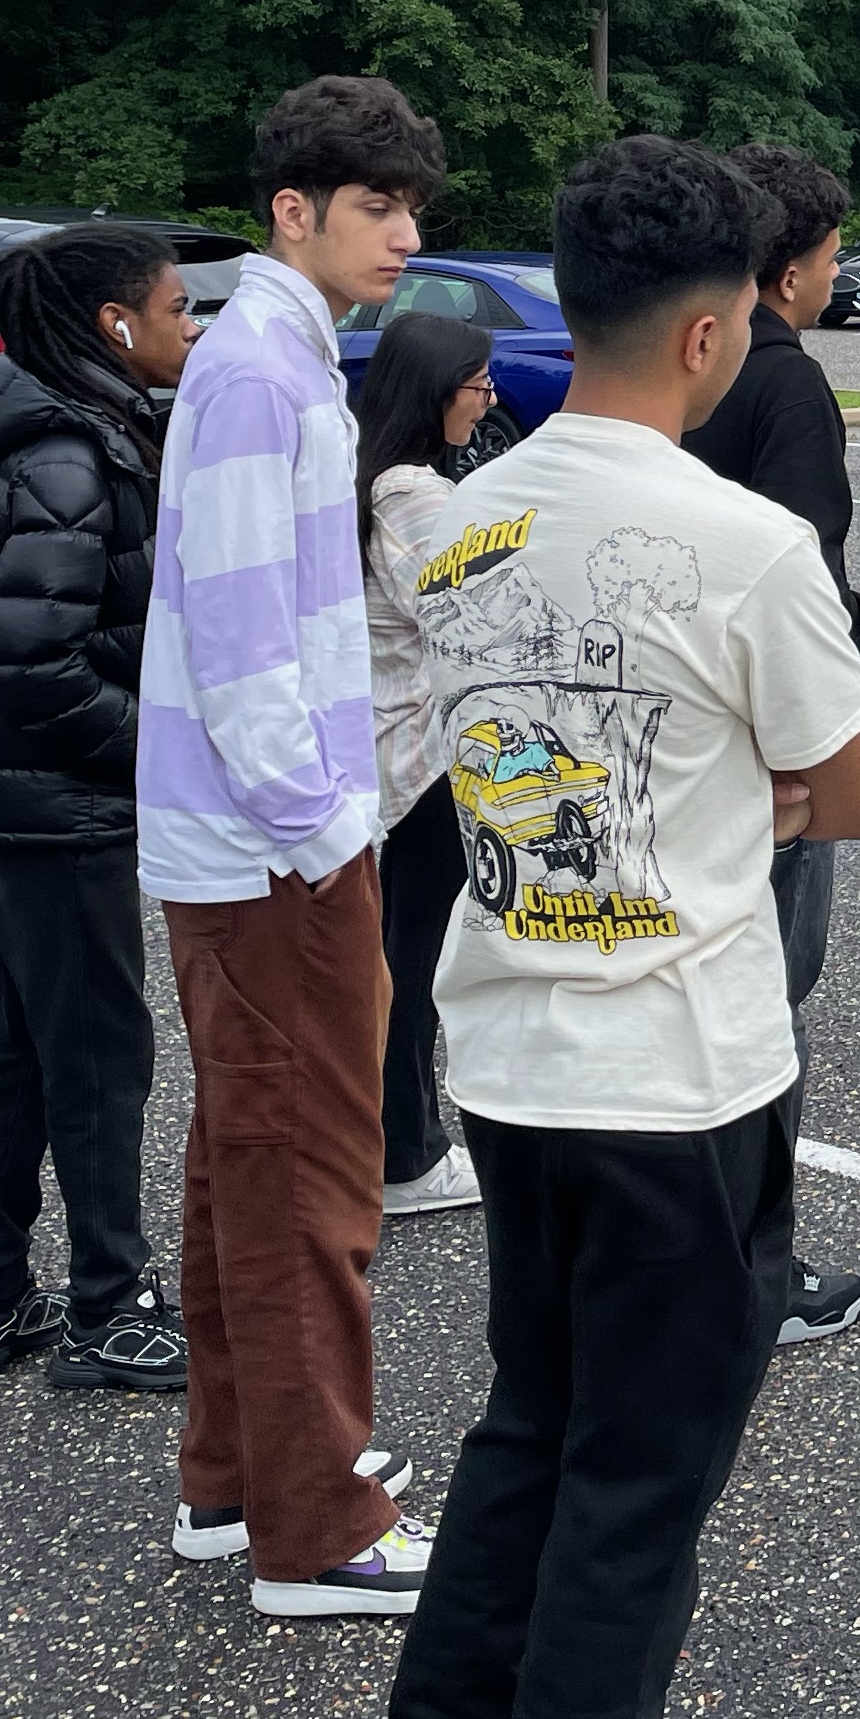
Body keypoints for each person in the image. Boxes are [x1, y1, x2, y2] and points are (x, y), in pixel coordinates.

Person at [375, 135, 860, 1719]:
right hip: (678, 1070)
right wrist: (750, 783)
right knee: (639, 1479)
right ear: (707, 329)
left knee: (530, 1423)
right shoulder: (741, 540)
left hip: (510, 1055)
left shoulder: (456, 523)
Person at [142, 74, 444, 1619]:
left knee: (240, 1164)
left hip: (258, 844)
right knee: (310, 1176)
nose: (404, 234)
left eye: (410, 208)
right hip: (276, 852)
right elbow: (250, 633)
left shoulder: (273, 358)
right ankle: (316, 1526)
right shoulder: (262, 371)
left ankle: (236, 1478)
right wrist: (327, 830)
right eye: (377, 206)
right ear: (294, 211)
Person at [0, 224, 196, 1398]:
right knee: (93, 1054)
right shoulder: (70, 458)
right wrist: (160, 758)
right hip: (54, 800)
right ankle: (108, 1305)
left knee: (22, 1048)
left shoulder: (65, 433)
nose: (192, 329)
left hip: (24, 797)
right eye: (177, 308)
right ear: (115, 325)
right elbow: (32, 665)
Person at [680, 140, 860, 1347]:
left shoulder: (689, 364)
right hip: (772, 738)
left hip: (686, 719)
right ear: (793, 263)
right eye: (833, 251)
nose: (835, 271)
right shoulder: (785, 376)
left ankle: (699, 1251)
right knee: (768, 1004)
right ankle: (759, 1267)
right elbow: (803, 568)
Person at [355, 310, 499, 1225]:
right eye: (476, 386)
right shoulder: (412, 493)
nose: (486, 402)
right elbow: (465, 613)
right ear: (435, 390)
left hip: (388, 745)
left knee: (394, 955)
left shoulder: (369, 475)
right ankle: (405, 1153)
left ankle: (389, 1140)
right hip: (421, 756)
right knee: (412, 962)